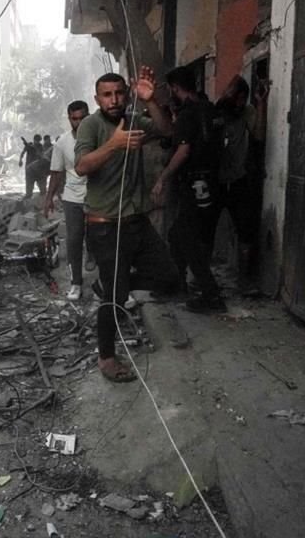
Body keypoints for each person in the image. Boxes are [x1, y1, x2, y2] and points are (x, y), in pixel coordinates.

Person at [75, 68, 178, 382]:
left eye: (119, 93)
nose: (114, 100)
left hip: (137, 221)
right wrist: (114, 144)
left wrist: (151, 101)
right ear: (98, 99)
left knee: (170, 279)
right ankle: (106, 358)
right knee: (115, 298)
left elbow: (167, 131)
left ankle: (112, 284)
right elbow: (81, 167)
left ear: (127, 94)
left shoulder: (135, 120)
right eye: (107, 95)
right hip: (105, 225)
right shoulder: (91, 125)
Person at [151, 66, 226, 312]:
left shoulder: (188, 114)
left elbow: (183, 151)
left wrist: (163, 177)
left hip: (194, 183)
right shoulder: (210, 109)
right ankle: (181, 282)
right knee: (180, 235)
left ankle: (210, 294)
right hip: (213, 182)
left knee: (186, 237)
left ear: (175, 88)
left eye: (169, 89)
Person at [214, 75, 268, 294]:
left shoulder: (246, 112)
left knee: (245, 229)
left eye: (243, 99)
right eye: (237, 98)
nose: (239, 103)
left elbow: (259, 134)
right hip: (216, 180)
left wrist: (261, 103)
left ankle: (244, 279)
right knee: (206, 230)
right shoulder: (216, 112)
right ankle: (202, 278)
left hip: (239, 179)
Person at [44, 101, 90, 300]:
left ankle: (112, 284)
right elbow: (56, 173)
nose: (79, 122)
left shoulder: (100, 136)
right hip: (72, 197)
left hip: (99, 195)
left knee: (103, 239)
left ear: (89, 116)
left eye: (82, 118)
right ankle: (76, 283)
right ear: (69, 119)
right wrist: (48, 198)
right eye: (74, 118)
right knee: (73, 240)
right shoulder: (62, 143)